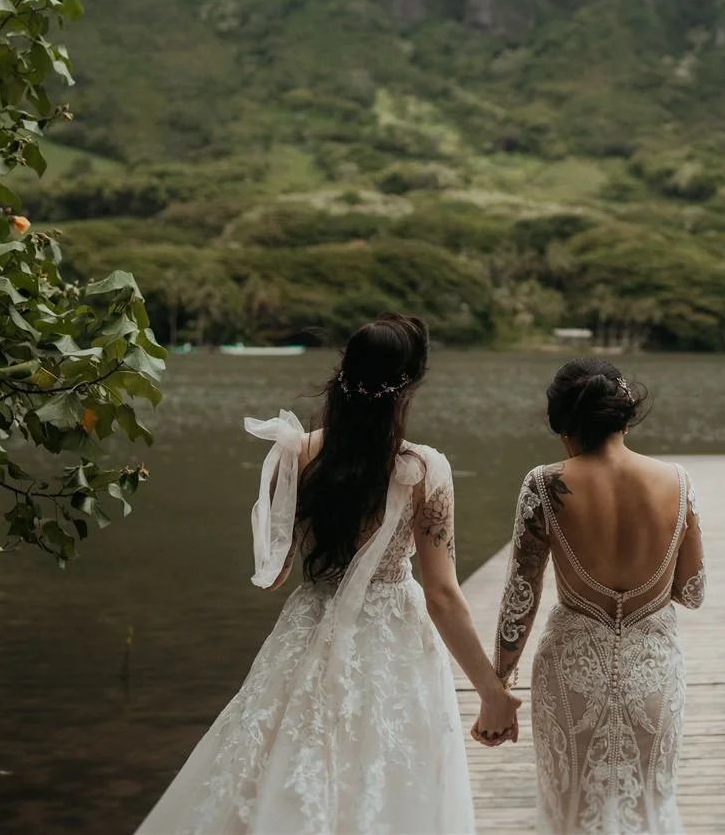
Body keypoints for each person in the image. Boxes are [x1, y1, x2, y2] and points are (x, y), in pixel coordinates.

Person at [137, 314, 521, 834]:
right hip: (394, 639)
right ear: (408, 385)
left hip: (309, 624)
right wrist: (490, 691)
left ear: (343, 374)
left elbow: (274, 575)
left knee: (289, 756)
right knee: (386, 774)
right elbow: (443, 596)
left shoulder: (295, 452)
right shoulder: (424, 469)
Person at [492, 358, 707, 834]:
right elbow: (692, 592)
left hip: (571, 672)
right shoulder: (679, 481)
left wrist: (498, 686)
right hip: (652, 672)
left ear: (562, 425)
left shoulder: (544, 485)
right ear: (625, 417)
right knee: (649, 805)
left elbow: (519, 599)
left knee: (570, 812)